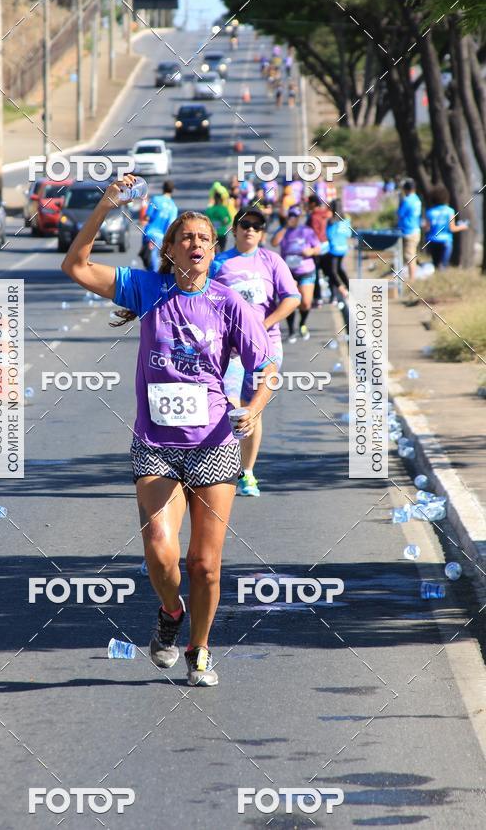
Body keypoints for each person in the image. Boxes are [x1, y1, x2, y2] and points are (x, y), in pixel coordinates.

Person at [61, 176, 278, 687]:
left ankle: (199, 649)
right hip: (156, 442)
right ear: (172, 248)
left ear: (212, 249)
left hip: (212, 444)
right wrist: (106, 205)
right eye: (187, 238)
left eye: (205, 238)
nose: (197, 244)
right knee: (160, 547)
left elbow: (265, 365)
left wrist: (253, 404)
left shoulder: (230, 304)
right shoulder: (148, 289)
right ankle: (170, 612)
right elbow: (75, 265)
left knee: (204, 564)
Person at [210, 207, 300, 497]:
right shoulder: (219, 263)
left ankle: (247, 473)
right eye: (245, 224)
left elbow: (292, 298)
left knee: (252, 411)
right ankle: (224, 466)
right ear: (234, 229)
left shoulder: (271, 261)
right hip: (231, 349)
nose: (250, 230)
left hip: (267, 347)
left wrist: (263, 324)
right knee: (228, 405)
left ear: (262, 233)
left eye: (257, 226)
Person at [271, 206, 321, 342]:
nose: (293, 218)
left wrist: (310, 252)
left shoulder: (307, 231)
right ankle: (292, 330)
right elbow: (274, 242)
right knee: (289, 300)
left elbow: (318, 248)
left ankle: (302, 324)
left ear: (300, 218)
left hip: (305, 270)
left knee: (305, 302)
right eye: (291, 215)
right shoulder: (283, 231)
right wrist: (285, 227)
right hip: (288, 272)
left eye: (296, 216)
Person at [424, 185, 468, 270]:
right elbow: (452, 228)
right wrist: (463, 227)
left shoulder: (430, 212)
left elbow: (427, 228)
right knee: (443, 266)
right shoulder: (449, 211)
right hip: (446, 241)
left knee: (435, 266)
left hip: (432, 241)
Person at [141, 181, 178, 272]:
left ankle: (150, 281)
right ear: (172, 191)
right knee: (157, 262)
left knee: (149, 261)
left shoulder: (155, 200)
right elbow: (171, 225)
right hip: (161, 238)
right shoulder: (173, 207)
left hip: (149, 234)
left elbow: (147, 216)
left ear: (163, 189)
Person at [306, 193, 331, 306]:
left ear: (313, 203)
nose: (307, 205)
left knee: (314, 272)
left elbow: (313, 233)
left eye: (309, 203)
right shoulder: (326, 213)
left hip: (316, 247)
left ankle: (318, 297)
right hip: (326, 244)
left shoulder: (313, 216)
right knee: (328, 272)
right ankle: (334, 295)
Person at [397, 179, 423, 281]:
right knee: (412, 255)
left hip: (408, 231)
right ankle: (411, 276)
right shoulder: (417, 199)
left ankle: (412, 279)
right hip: (416, 229)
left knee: (409, 256)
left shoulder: (407, 200)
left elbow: (400, 214)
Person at [326, 200, 352, 299]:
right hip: (343, 248)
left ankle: (341, 291)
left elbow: (328, 235)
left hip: (333, 249)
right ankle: (349, 288)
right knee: (339, 269)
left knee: (332, 272)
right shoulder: (346, 220)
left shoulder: (331, 221)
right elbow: (349, 234)